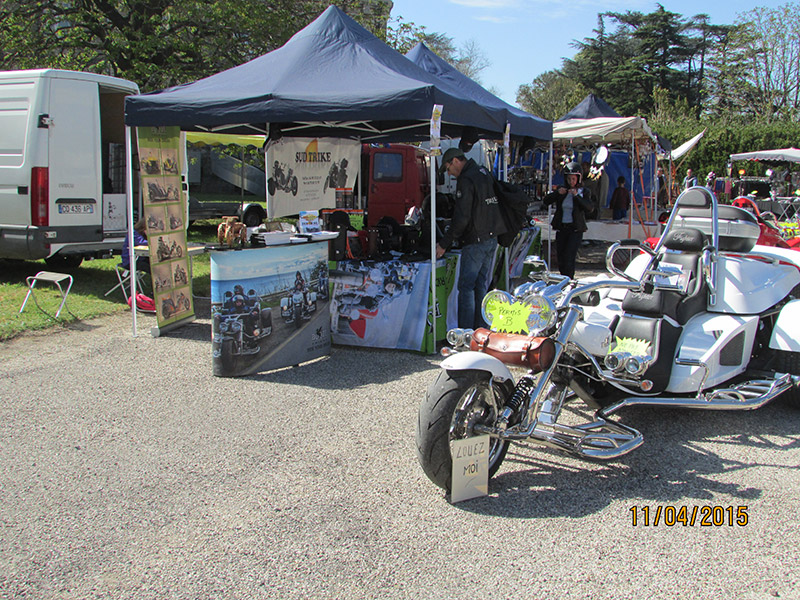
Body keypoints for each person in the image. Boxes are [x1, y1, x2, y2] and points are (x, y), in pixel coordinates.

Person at [435, 147, 507, 329]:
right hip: (492, 237)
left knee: (466, 287)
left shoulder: (466, 179)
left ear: (455, 161)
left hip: (476, 240)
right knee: (480, 285)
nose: (450, 174)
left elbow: (462, 217)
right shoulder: (483, 172)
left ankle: (465, 334)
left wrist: (444, 243)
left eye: (448, 168)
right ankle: (480, 330)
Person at [543, 162, 594, 279]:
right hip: (562, 228)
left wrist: (577, 196)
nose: (571, 181)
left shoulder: (583, 191)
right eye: (569, 179)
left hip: (575, 229)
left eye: (574, 179)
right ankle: (563, 279)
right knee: (560, 257)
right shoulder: (562, 190)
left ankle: (569, 280)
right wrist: (557, 193)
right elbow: (546, 201)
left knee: (569, 257)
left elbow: (589, 208)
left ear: (579, 178)